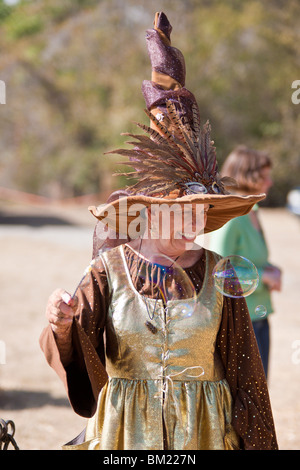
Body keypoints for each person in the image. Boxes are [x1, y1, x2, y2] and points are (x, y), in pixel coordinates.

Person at [39, 12, 278, 450]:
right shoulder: (105, 272)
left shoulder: (221, 274)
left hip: (204, 437)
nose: (197, 222)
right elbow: (79, 356)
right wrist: (61, 324)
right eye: (182, 210)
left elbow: (249, 380)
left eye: (202, 210)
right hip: (124, 439)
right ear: (148, 212)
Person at [209, 146, 282, 379]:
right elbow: (218, 270)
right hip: (241, 323)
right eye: (264, 176)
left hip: (258, 319)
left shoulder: (253, 211)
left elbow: (251, 260)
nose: (270, 183)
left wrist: (271, 269)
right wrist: (264, 277)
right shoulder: (234, 216)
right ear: (248, 176)